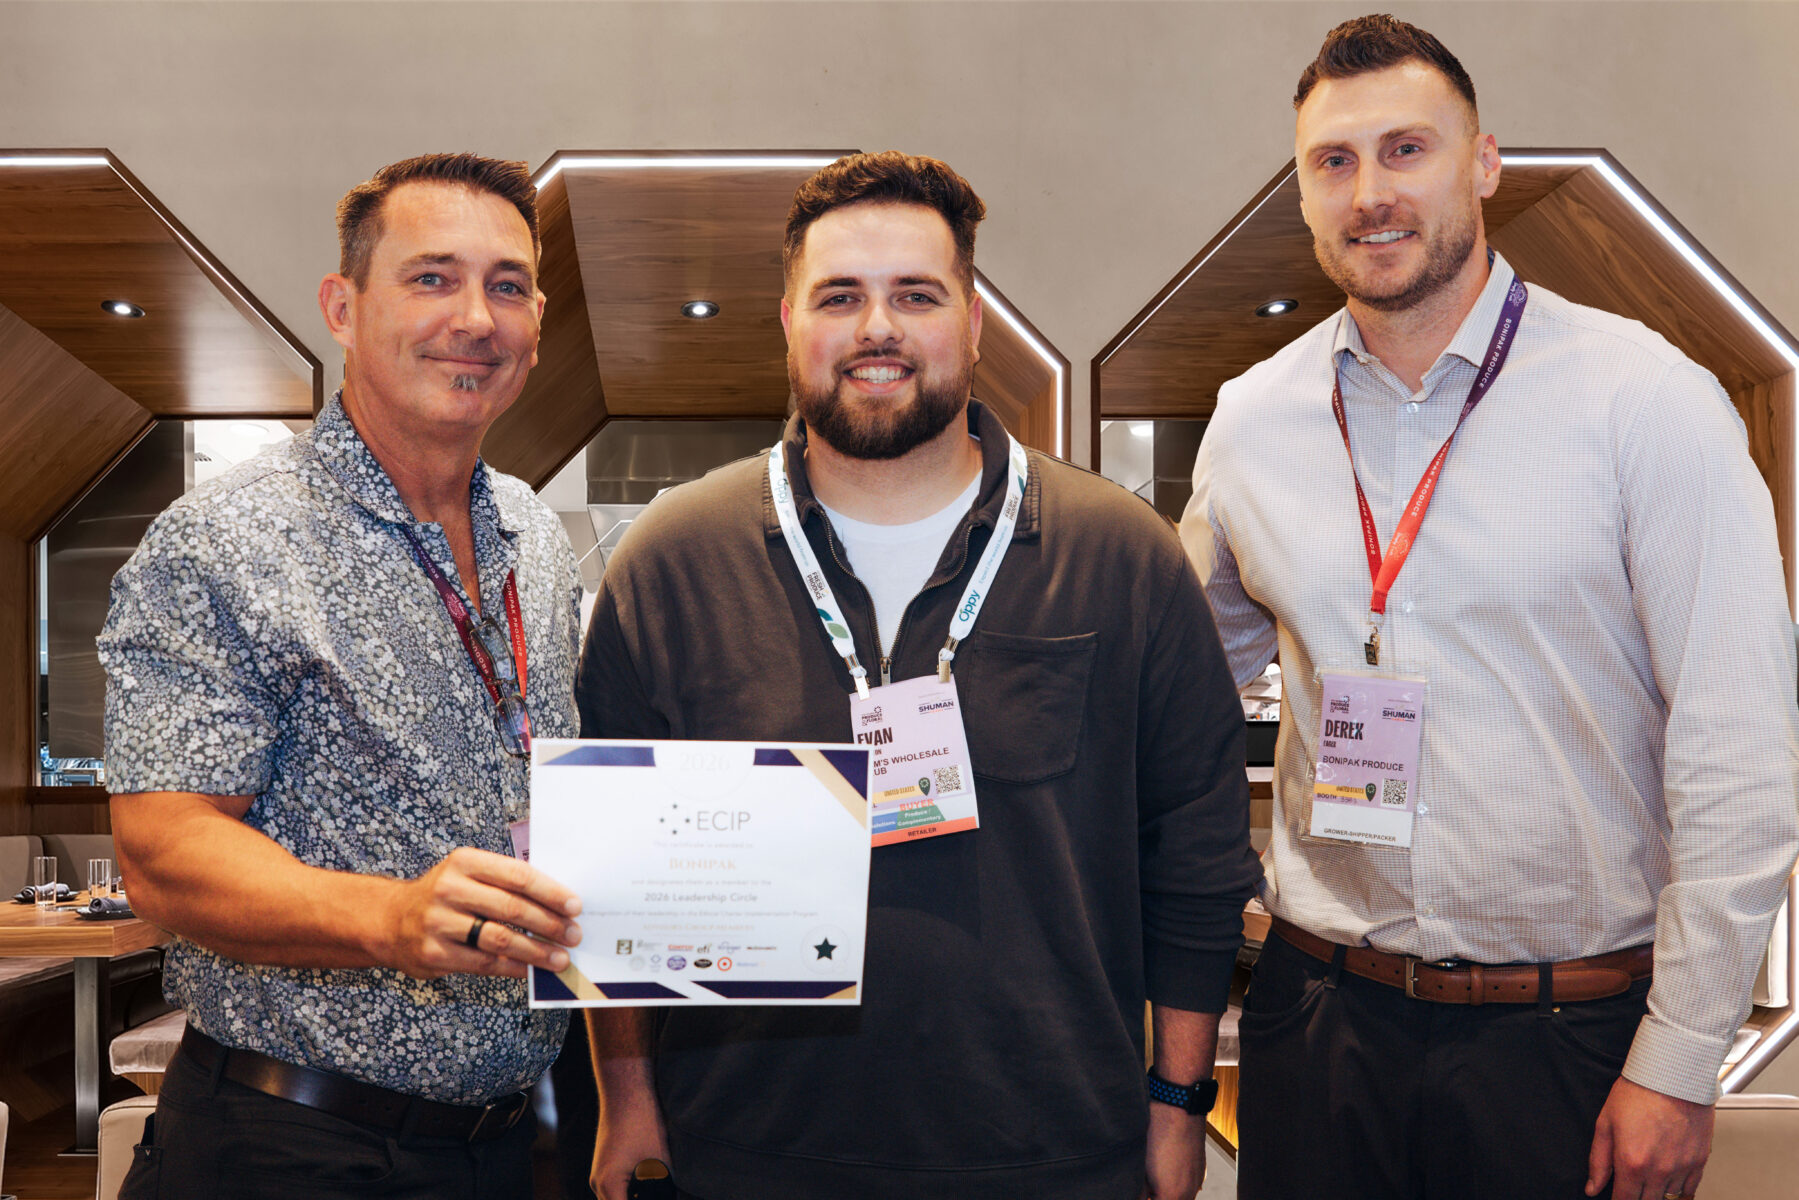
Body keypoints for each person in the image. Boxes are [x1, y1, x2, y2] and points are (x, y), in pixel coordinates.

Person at [1183, 15, 1799, 1200]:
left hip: (1567, 1039)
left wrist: (1678, 1060)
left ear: (1482, 164)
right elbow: (1172, 682)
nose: (1370, 191)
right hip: (1317, 1025)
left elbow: (1736, 750)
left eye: (1405, 149)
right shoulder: (1252, 420)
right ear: (1301, 196)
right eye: (1332, 161)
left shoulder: (1643, 402)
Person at [578, 150, 1261, 1200]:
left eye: (915, 295)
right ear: (788, 323)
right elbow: (610, 875)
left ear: (973, 324)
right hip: (746, 1155)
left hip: (1052, 1156)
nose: (876, 328)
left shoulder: (1120, 555)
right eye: (838, 297)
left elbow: (1196, 853)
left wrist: (1175, 1102)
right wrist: (626, 1102)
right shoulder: (672, 559)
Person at [98, 152, 586, 1199]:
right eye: (431, 278)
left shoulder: (537, 539)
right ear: (342, 307)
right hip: (286, 1144)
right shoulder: (224, 539)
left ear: (538, 324)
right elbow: (163, 854)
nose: (475, 318)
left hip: (499, 1147)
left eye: (506, 286)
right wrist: (393, 918)